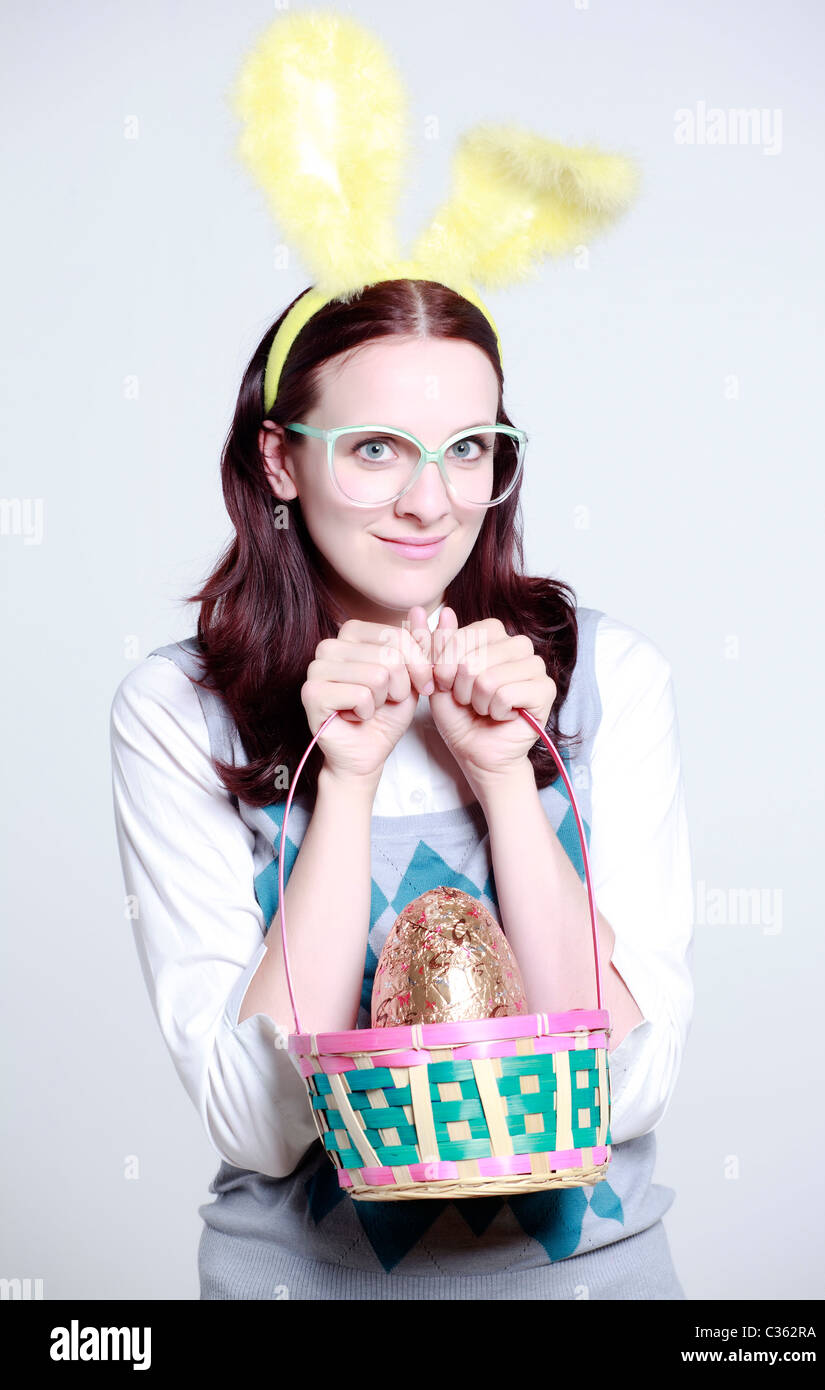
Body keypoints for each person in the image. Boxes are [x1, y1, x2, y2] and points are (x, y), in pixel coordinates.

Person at [109, 276, 695, 1299]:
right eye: (375, 447)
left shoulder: (604, 683)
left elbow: (617, 1093)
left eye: (467, 448)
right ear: (279, 459)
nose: (430, 501)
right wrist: (343, 780)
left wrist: (506, 782)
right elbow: (257, 1121)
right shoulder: (178, 710)